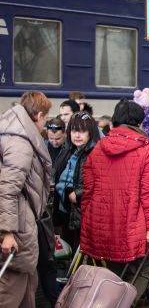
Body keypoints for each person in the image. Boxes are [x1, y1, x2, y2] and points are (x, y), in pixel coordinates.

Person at [80, 100, 149, 303]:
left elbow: (88, 192)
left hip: (100, 227)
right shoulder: (147, 149)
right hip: (133, 227)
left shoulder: (98, 148)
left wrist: (87, 222)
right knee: (142, 269)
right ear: (139, 123)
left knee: (111, 276)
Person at [0, 91, 52, 307]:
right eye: (46, 118)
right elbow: (7, 189)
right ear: (39, 115)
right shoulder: (21, 142)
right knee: (12, 288)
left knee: (27, 287)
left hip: (21, 221)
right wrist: (7, 233)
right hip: (17, 227)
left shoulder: (11, 132)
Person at [52, 112, 100, 250]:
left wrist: (79, 193)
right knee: (65, 255)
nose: (77, 135)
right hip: (65, 212)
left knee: (78, 258)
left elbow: (101, 183)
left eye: (82, 131)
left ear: (90, 133)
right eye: (74, 131)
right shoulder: (68, 150)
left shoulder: (95, 153)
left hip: (81, 215)